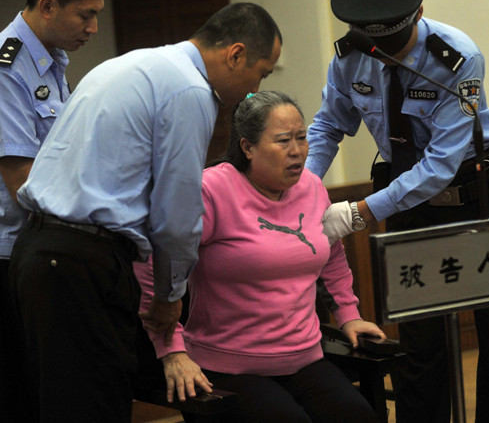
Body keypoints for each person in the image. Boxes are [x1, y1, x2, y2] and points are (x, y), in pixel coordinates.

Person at [7, 2, 282, 422]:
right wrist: (171, 296)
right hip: (84, 260)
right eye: (261, 72)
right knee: (94, 407)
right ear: (236, 54)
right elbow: (177, 214)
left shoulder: (129, 66)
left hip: (36, 252)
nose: (254, 88)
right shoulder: (190, 90)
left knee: (51, 405)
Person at [306, 0, 489, 423]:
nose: (383, 53)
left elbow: (441, 164)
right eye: (373, 42)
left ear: (419, 16)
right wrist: (301, 192)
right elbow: (329, 127)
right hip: (407, 199)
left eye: (394, 43)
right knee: (418, 343)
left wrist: (358, 213)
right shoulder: (352, 57)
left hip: (478, 194)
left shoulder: (457, 57)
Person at [134, 90, 386, 423]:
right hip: (226, 364)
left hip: (304, 357)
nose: (297, 151)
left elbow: (330, 251)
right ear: (247, 146)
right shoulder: (211, 190)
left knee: (358, 416)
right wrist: (171, 352)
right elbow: (154, 262)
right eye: (283, 141)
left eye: (302, 138)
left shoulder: (311, 186)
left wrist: (348, 313)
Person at [0, 0, 113, 421]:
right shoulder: (4, 68)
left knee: (59, 389)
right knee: (23, 394)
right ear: (47, 6)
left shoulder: (51, 59)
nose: (93, 28)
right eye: (86, 15)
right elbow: (23, 181)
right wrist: (98, 216)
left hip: (48, 248)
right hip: (8, 256)